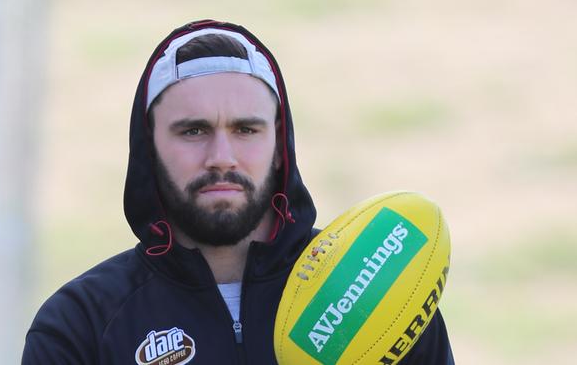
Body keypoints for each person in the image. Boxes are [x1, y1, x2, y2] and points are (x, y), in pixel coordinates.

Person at [22, 19, 454, 364]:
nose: (222, 156)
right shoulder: (81, 324)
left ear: (280, 144)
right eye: (193, 130)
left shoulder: (376, 292)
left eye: (245, 129)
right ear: (148, 148)